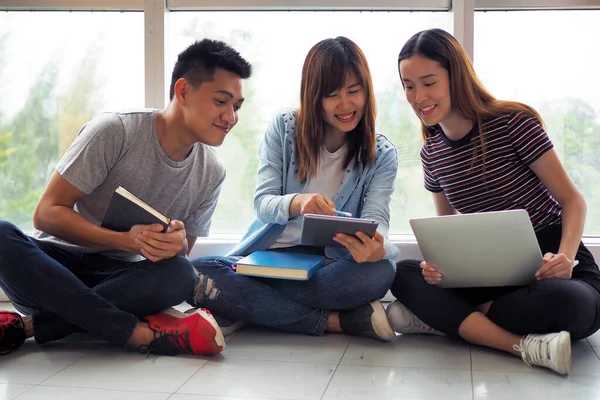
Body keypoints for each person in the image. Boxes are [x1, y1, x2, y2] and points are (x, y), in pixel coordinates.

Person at [0, 39, 252, 356]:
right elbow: (47, 213)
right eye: (221, 102)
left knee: (180, 273)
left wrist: (175, 244)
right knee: (2, 235)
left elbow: (180, 254)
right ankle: (134, 332)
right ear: (184, 91)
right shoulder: (115, 131)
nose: (231, 117)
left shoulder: (212, 171)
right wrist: (123, 240)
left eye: (237, 107)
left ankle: (32, 327)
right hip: (55, 269)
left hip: (119, 280)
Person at [387, 28, 600, 375]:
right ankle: (521, 345)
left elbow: (572, 200)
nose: (418, 96)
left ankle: (450, 319)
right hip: (487, 270)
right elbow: (449, 231)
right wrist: (438, 268)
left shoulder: (513, 122)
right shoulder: (432, 153)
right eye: (409, 86)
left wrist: (566, 257)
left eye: (428, 83)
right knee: (403, 273)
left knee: (576, 306)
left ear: (456, 77)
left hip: (550, 262)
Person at [189, 36, 399, 341]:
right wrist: (297, 202)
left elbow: (378, 221)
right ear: (314, 97)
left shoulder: (381, 154)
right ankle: (336, 321)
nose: (345, 105)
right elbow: (263, 202)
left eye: (354, 91)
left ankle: (246, 305)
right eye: (332, 95)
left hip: (329, 265)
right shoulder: (284, 127)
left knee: (382, 272)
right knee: (198, 270)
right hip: (272, 256)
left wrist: (379, 248)